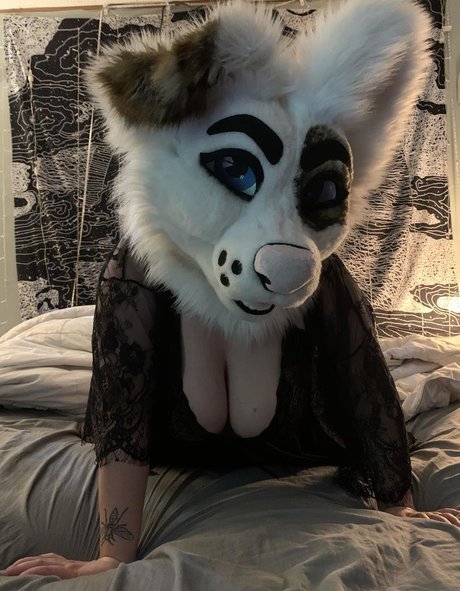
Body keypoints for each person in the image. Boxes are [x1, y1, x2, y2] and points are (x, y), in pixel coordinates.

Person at [3, 0, 460, 580]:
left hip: (295, 444)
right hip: (175, 443)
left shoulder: (319, 276)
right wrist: (113, 556)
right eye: (236, 169)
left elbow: (361, 377)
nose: (286, 248)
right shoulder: (133, 276)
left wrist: (398, 503)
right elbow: (123, 408)